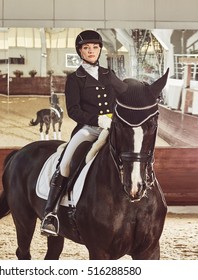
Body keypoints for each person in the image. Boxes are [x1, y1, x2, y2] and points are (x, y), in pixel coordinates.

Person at [40, 30, 128, 236]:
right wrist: (97, 119)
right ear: (80, 51)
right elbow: (73, 111)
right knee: (65, 162)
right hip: (88, 130)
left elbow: (125, 93)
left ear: (100, 50)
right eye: (86, 48)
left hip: (113, 128)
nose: (91, 51)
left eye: (95, 47)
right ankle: (50, 213)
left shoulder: (109, 75)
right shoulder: (75, 78)